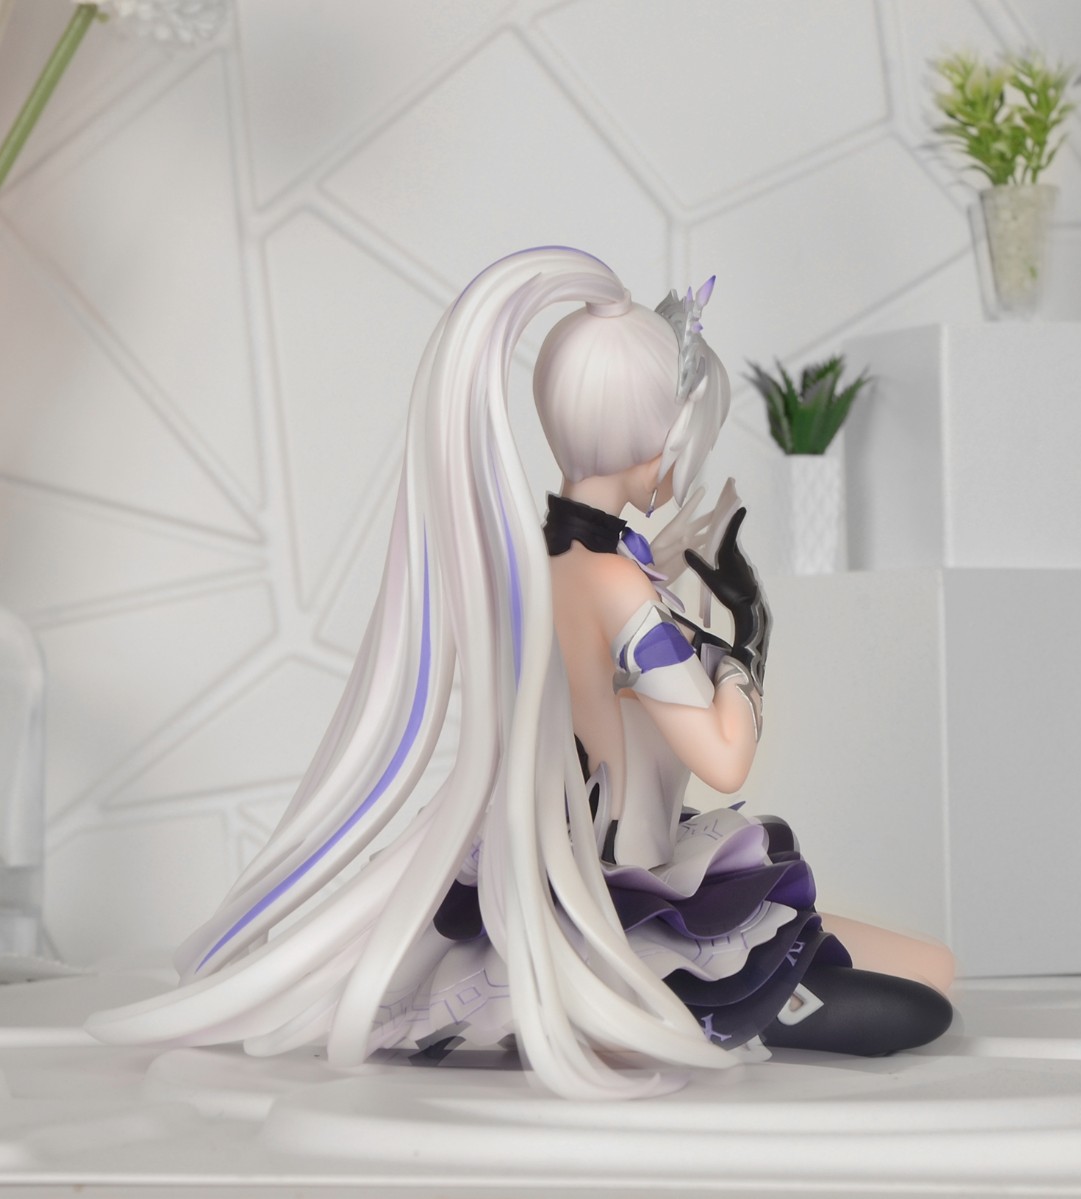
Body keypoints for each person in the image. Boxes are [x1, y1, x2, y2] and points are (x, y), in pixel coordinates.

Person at [87, 247, 954, 1100]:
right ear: (656, 436)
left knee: (928, 975)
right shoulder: (614, 582)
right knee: (926, 992)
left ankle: (709, 1001)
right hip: (626, 903)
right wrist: (750, 623)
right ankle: (703, 1006)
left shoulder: (540, 562)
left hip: (596, 877)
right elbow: (725, 758)